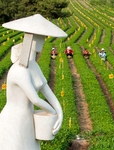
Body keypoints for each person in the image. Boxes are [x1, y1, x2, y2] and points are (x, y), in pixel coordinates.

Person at [0, 14, 66, 150]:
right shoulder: (19, 70)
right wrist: (53, 113)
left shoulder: (33, 66)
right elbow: (35, 99)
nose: (43, 40)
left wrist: (60, 112)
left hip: (28, 119)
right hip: (14, 120)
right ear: (31, 40)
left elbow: (46, 89)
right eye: (40, 37)